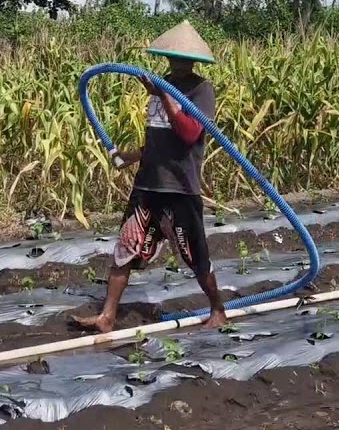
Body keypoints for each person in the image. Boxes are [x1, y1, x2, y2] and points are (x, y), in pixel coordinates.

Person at [72, 20, 227, 333]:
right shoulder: (159, 86)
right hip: (147, 184)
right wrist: (130, 157)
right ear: (166, 58)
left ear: (194, 61)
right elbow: (158, 137)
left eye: (183, 58)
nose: (177, 63)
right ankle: (107, 317)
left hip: (180, 187)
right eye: (173, 57)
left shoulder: (201, 90)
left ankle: (218, 309)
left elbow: (188, 134)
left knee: (194, 254)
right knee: (124, 250)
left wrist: (165, 95)